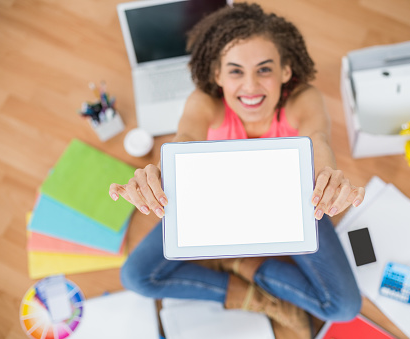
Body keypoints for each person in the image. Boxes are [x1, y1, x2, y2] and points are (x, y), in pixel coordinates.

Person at [109, 3, 364, 338]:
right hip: (216, 204)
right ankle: (253, 297)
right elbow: (184, 140)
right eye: (235, 71)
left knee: (344, 307)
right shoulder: (204, 102)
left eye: (264, 69)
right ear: (217, 75)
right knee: (135, 277)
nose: (251, 86)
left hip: (290, 202)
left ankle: (244, 265)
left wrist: (328, 175)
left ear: (286, 70)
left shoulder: (303, 98)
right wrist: (157, 174)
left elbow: (319, 140)